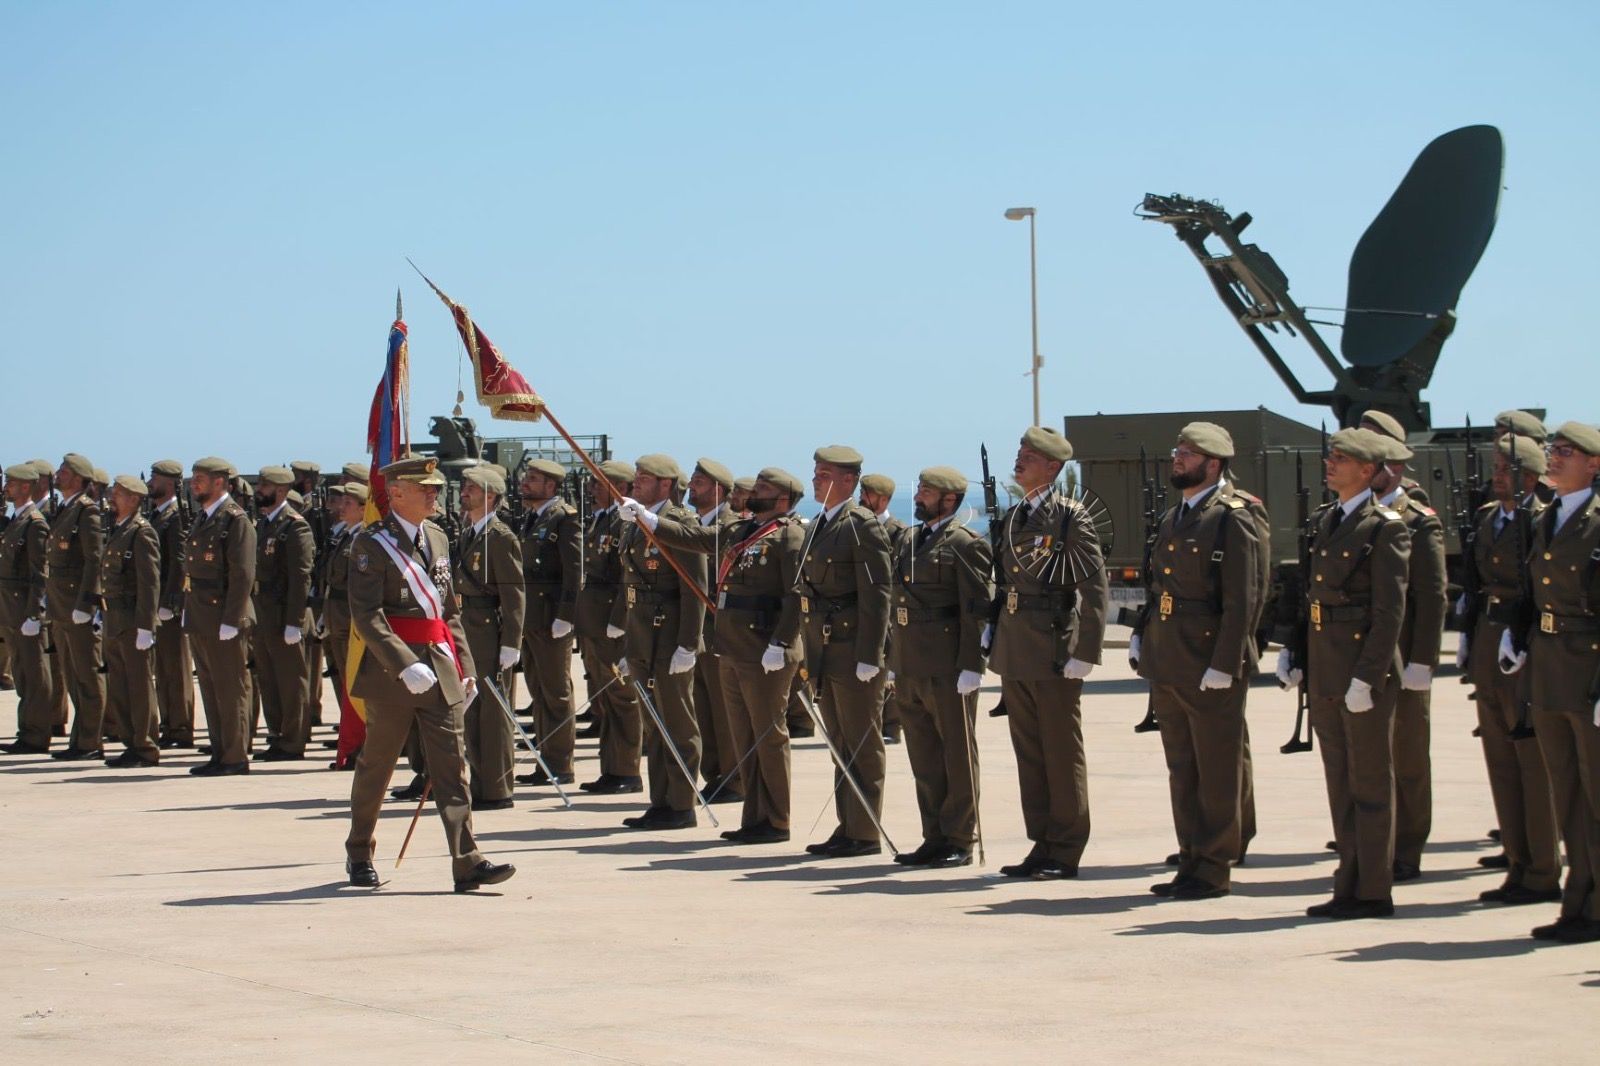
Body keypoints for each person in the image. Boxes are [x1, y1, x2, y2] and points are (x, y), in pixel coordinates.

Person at [342, 455, 515, 893]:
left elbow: (447, 611)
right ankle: (360, 850)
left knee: (453, 767)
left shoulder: (437, 537)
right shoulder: (370, 543)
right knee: (377, 767)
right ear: (397, 493)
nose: (435, 493)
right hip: (392, 674)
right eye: (426, 488)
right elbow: (367, 615)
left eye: (436, 487)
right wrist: (403, 663)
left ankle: (467, 860)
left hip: (439, 668)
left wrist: (466, 669)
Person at [627, 467, 807, 844]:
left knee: (768, 738)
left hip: (765, 650)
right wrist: (651, 520)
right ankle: (754, 817)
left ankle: (776, 819)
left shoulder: (789, 535)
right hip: (735, 648)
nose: (753, 491)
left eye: (764, 488)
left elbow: (796, 595)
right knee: (744, 737)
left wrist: (782, 642)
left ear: (783, 500)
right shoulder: (741, 530)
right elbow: (696, 537)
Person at [1279, 428, 1411, 920]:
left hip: (1362, 671)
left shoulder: (1386, 527)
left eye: (1343, 458)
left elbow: (1389, 612)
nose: (1330, 464)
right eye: (1331, 456)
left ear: (1369, 470)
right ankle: (1348, 882)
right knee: (1341, 783)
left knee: (1371, 785)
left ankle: (1373, 890)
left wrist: (1368, 677)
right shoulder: (1326, 520)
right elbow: (1309, 597)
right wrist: (1296, 653)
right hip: (1328, 667)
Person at [1135, 423, 1264, 900]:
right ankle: (1190, 859)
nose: (1177, 459)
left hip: (1209, 660)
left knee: (1216, 771)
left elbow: (1245, 598)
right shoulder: (1176, 516)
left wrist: (1225, 662)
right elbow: (1159, 589)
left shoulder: (1235, 516)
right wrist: (1141, 639)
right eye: (1177, 451)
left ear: (1213, 464)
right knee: (1183, 769)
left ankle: (1213, 867)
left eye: (1187, 454)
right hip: (1170, 659)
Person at [989, 426, 1109, 879]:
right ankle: (1040, 842)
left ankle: (1065, 847)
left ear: (1053, 467)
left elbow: (1095, 588)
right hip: (1016, 647)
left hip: (1055, 647)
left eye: (1030, 456)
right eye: (1019, 452)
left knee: (1060, 752)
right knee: (1030, 752)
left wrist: (1087, 651)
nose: (1019, 460)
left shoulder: (1070, 517)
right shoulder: (1018, 514)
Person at [1504, 422, 1600, 943]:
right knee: (1566, 791)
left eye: (1567, 452)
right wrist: (1516, 636)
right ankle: (1578, 902)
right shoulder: (1547, 517)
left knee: (1597, 792)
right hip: (1550, 666)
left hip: (1589, 666)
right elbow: (1532, 588)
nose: (1554, 458)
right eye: (1552, 450)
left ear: (1594, 464)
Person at [1461, 434, 1561, 907]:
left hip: (1524, 645)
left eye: (1505, 468)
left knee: (1531, 762)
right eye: (1496, 467)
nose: (1496, 475)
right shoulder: (1487, 518)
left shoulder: (1542, 518)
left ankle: (1542, 868)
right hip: (1488, 637)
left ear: (1530, 475)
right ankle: (1516, 862)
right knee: (1500, 758)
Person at [886, 466, 992, 869]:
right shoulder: (911, 540)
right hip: (911, 664)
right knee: (925, 759)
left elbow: (976, 610)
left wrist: (972, 665)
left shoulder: (965, 544)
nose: (919, 497)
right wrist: (895, 662)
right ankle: (934, 835)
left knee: (957, 756)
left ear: (949, 500)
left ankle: (960, 838)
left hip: (948, 667)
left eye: (927, 492)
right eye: (920, 490)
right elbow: (900, 605)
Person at [796, 445, 893, 858]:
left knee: (861, 743)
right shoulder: (821, 523)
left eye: (824, 473)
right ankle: (848, 824)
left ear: (849, 480)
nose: (816, 479)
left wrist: (871, 654)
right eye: (816, 472)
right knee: (840, 742)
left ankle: (865, 831)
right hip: (826, 648)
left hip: (853, 649)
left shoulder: (861, 526)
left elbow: (878, 594)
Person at [1366, 423, 1449, 882]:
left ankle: (1407, 848)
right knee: (1372, 754)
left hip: (1404, 650)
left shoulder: (1418, 517)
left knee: (1408, 754)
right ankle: (1375, 837)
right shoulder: (1353, 513)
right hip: (1368, 653)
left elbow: (1433, 595)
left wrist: (1423, 659)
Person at [611, 454, 707, 830]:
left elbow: (693, 586)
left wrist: (688, 643)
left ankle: (681, 804)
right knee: (654, 723)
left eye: (645, 477)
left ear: (666, 485)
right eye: (636, 476)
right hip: (642, 634)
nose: (637, 482)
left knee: (678, 722)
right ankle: (661, 801)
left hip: (669, 634)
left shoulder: (679, 523)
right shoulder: (634, 521)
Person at [455, 465, 525, 810]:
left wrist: (512, 641)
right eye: (465, 486)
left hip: (490, 631)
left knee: (493, 714)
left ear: (491, 496)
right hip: (469, 629)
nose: (464, 492)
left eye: (471, 488)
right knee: (473, 710)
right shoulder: (468, 533)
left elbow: (514, 593)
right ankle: (481, 784)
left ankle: (497, 789)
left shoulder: (499, 536)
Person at [183, 456, 258, 777]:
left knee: (230, 689)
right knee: (212, 690)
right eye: (194, 478)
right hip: (202, 616)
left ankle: (234, 756)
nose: (193, 483)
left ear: (220, 482)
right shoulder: (204, 518)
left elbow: (242, 574)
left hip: (224, 618)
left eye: (201, 478)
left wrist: (232, 618)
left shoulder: (234, 520)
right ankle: (219, 751)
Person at [515, 459, 582, 788]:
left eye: (534, 479)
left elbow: (574, 572)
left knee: (555, 693)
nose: (526, 483)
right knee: (538, 692)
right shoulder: (533, 517)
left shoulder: (564, 519)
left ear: (551, 487)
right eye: (527, 478)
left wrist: (566, 615)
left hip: (551, 619)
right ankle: (546, 760)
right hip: (531, 619)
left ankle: (560, 764)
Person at [684, 458, 741, 803]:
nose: (692, 486)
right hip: (699, 630)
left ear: (718, 490)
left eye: (700, 482)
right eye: (692, 480)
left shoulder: (730, 526)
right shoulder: (695, 524)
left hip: (721, 630)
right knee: (703, 707)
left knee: (724, 710)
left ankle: (735, 779)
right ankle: (715, 773)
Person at [252, 466, 315, 760]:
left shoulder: (294, 526)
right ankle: (277, 735)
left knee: (291, 682)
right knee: (269, 679)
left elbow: (300, 577)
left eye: (263, 486)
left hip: (284, 615)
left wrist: (295, 621)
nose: (257, 491)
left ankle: (293, 741)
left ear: (279, 491)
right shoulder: (265, 524)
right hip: (264, 614)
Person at [98, 475, 162, 767]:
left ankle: (145, 746)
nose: (113, 497)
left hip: (133, 621)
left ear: (134, 499)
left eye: (119, 493)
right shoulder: (119, 529)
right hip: (115, 619)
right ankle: (130, 742)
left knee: (138, 686)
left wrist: (146, 626)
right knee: (120, 687)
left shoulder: (141, 532)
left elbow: (149, 583)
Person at [47, 453, 107, 759]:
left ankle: (90, 742)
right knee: (72, 674)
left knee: (86, 675)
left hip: (76, 606)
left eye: (64, 471)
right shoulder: (66, 510)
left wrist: (86, 602)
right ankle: (79, 740)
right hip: (61, 606)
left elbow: (94, 560)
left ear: (79, 478)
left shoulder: (86, 511)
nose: (58, 474)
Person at [0, 463, 53, 754]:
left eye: (11, 482)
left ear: (25, 487)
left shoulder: (35, 523)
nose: (6, 486)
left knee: (34, 675)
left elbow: (39, 574)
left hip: (24, 611)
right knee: (22, 674)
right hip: (11, 610)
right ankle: (28, 730)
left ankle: (36, 734)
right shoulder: (16, 520)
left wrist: (34, 613)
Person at [148, 459, 195, 749]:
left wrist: (171, 601)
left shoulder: (177, 516)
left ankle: (180, 727)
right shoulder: (157, 515)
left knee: (175, 667)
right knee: (163, 668)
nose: (151, 482)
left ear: (170, 482)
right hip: (157, 601)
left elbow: (179, 564)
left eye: (156, 477)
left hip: (171, 603)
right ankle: (169, 723)